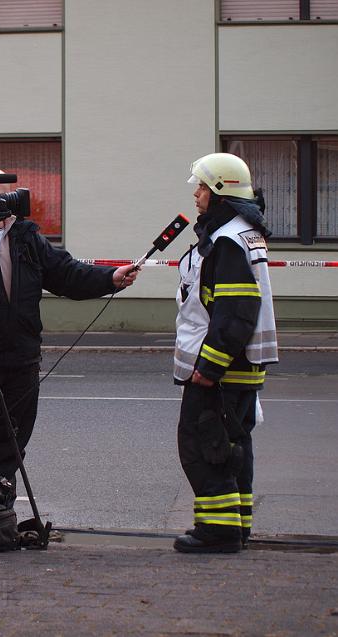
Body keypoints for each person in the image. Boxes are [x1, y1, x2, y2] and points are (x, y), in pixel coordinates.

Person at [0, 167, 139, 506]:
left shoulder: (27, 235)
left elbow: (66, 274)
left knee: (11, 439)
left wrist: (110, 278)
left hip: (22, 357)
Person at [172, 152, 278, 554]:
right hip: (241, 367)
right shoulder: (242, 232)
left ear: (219, 192)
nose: (196, 193)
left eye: (201, 186)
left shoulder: (228, 240)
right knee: (233, 446)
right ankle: (237, 525)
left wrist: (209, 367)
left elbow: (236, 310)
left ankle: (217, 531)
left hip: (221, 370)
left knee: (205, 446)